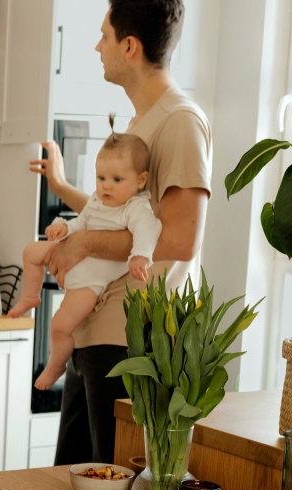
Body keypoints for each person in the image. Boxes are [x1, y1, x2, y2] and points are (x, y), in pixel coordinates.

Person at [29, 0, 211, 465]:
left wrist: (83, 242)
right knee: (72, 479)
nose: (96, 46)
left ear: (129, 47)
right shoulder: (142, 122)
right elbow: (117, 212)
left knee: (106, 487)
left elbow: (179, 239)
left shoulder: (180, 122)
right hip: (96, 330)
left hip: (130, 335)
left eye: (104, 36)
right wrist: (63, 188)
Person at [10, 124, 161, 391]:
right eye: (101, 178)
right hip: (77, 256)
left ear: (140, 180)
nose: (106, 186)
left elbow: (148, 230)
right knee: (31, 252)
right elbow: (83, 222)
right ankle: (30, 296)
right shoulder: (97, 201)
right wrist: (65, 227)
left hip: (91, 281)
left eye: (116, 180)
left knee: (60, 326)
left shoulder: (135, 207)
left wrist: (140, 256)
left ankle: (56, 365)